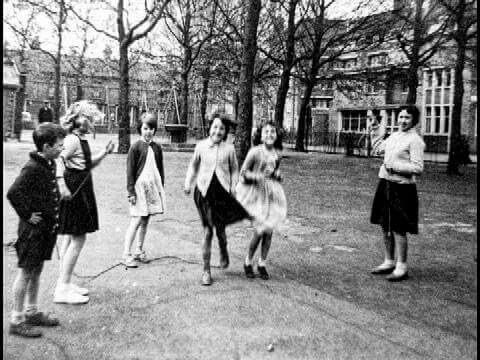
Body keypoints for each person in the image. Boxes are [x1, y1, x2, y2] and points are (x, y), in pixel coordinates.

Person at [6, 122, 66, 337]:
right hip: (32, 232)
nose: (62, 149)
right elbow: (13, 193)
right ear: (46, 146)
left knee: (37, 269)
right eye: (59, 145)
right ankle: (16, 319)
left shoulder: (48, 163)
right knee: (25, 272)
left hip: (43, 231)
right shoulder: (32, 167)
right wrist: (27, 215)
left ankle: (31, 312)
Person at [54, 100, 115, 304]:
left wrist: (104, 153)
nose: (90, 122)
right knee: (77, 238)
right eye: (87, 118)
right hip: (74, 189)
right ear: (76, 120)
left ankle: (65, 281)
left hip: (80, 188)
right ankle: (62, 288)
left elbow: (87, 165)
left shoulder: (80, 139)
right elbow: (57, 159)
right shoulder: (72, 140)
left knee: (71, 237)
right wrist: (62, 184)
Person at [184, 113, 249, 286]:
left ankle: (223, 250)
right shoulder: (201, 146)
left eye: (222, 128)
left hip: (222, 195)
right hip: (204, 193)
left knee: (220, 230)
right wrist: (188, 183)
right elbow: (193, 166)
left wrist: (234, 186)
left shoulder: (229, 149)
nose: (218, 131)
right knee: (207, 231)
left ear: (225, 131)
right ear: (209, 128)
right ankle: (206, 271)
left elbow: (235, 169)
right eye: (215, 127)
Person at [370, 105, 425, 282]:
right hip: (385, 184)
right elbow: (378, 148)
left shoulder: (415, 140)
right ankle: (389, 260)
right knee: (385, 224)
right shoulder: (394, 136)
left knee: (398, 227)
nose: (402, 120)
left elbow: (418, 167)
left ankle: (402, 266)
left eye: (407, 118)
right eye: (401, 117)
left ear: (414, 121)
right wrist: (375, 127)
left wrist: (394, 167)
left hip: (402, 188)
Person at [235, 121, 287, 280]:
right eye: (266, 131)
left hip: (271, 195)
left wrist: (278, 175)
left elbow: (275, 171)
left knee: (269, 232)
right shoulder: (255, 152)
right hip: (256, 194)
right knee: (259, 231)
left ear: (276, 135)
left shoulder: (277, 154)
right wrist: (258, 177)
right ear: (260, 135)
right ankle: (248, 262)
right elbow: (243, 173)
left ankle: (262, 263)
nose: (270, 134)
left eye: (273, 132)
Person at [123, 113, 166, 268]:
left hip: (151, 189)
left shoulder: (157, 148)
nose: (148, 131)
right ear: (140, 129)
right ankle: (126, 254)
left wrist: (161, 189)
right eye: (145, 128)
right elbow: (130, 171)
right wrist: (131, 192)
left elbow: (160, 171)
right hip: (138, 189)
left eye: (151, 128)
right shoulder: (135, 147)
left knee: (146, 220)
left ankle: (139, 250)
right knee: (136, 220)